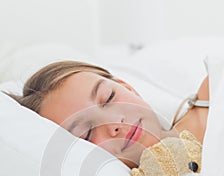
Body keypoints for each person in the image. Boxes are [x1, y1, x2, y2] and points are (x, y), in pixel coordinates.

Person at [8, 60, 209, 169]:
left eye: (109, 97)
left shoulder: (214, 92)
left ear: (128, 88)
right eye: (86, 134)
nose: (115, 123)